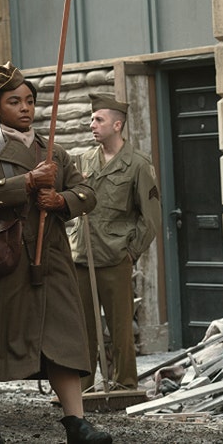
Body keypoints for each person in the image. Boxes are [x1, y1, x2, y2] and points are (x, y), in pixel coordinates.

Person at [0, 62, 111, 444]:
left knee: (63, 340)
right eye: (15, 101)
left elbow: (87, 194)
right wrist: (26, 181)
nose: (25, 107)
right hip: (2, 258)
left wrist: (61, 199)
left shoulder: (54, 149)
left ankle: (76, 423)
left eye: (29, 100)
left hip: (51, 258)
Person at [70, 93, 159, 393]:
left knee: (120, 328)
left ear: (117, 125)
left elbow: (151, 218)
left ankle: (124, 384)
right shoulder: (83, 161)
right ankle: (82, 387)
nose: (91, 124)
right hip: (82, 257)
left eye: (99, 119)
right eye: (92, 119)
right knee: (83, 330)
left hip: (115, 258)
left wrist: (131, 251)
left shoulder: (137, 165)